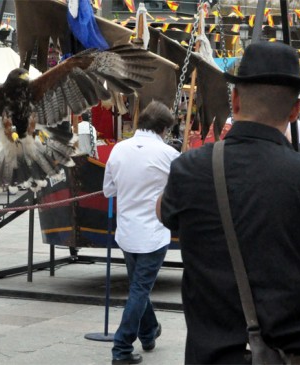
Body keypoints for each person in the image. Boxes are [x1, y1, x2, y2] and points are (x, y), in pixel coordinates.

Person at [157, 42, 300, 364]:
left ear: (235, 100)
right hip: (292, 357)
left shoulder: (189, 169)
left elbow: (163, 212)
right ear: (294, 111)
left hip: (212, 357)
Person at [103, 101, 180, 365]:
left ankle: (148, 333)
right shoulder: (169, 154)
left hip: (126, 231)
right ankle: (122, 346)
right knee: (139, 289)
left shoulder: (118, 149)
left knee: (139, 287)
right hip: (154, 233)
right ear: (162, 129)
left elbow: (108, 191)